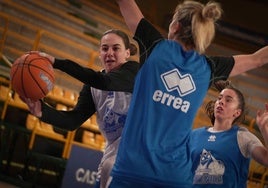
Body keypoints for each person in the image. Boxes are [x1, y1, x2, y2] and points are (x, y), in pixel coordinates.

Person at [108, 0, 268, 187]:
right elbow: (258, 59)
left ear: (175, 26)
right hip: (175, 178)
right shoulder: (208, 67)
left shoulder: (155, 47)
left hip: (132, 171)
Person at [20, 29, 139, 188]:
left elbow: (105, 82)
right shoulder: (92, 87)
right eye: (105, 48)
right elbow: (72, 121)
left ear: (127, 53)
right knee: (107, 168)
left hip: (140, 152)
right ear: (99, 53)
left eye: (116, 48)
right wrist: (41, 111)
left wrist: (58, 63)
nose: (109, 53)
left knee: (111, 168)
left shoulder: (134, 71)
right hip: (112, 153)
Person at [190, 80, 268, 188]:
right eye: (219, 98)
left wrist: (265, 130)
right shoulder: (194, 135)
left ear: (237, 112)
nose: (221, 102)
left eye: (228, 100)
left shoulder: (242, 137)